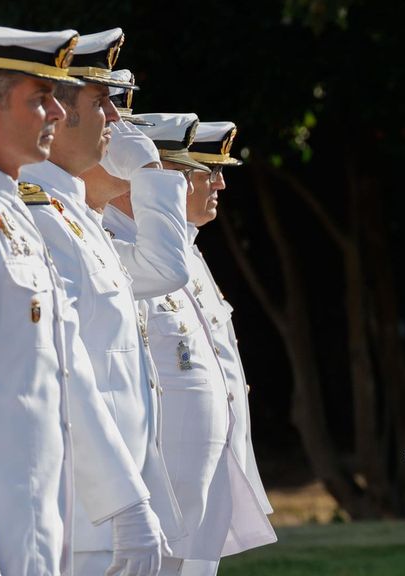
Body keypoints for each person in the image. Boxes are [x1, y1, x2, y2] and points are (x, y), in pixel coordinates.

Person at [0, 26, 167, 576]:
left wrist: (127, 502)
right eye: (39, 99)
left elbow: (69, 371)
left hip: (43, 522)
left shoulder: (18, 213)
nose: (56, 115)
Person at [103, 113, 277, 576]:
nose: (218, 184)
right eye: (204, 171)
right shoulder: (116, 249)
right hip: (155, 489)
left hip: (200, 482)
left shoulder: (189, 254)